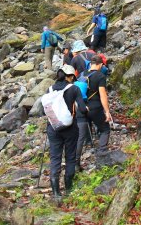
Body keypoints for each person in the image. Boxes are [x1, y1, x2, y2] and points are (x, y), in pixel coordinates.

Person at [45, 64, 88, 201]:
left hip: (53, 128)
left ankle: (56, 194)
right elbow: (82, 109)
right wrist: (87, 109)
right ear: (69, 76)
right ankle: (69, 190)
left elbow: (44, 110)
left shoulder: (50, 89)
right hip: (70, 128)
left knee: (55, 158)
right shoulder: (74, 88)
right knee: (70, 157)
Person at [76, 55, 111, 166]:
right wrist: (107, 111)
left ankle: (77, 160)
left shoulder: (82, 74)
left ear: (91, 64)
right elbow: (103, 96)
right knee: (105, 129)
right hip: (94, 108)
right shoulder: (100, 76)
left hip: (81, 108)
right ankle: (102, 153)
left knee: (83, 132)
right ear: (100, 64)